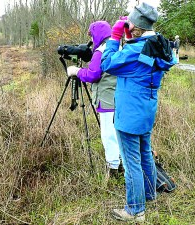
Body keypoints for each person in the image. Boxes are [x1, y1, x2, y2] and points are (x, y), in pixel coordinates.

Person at [101, 2, 177, 222]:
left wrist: (115, 37)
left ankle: (135, 210)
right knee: (145, 153)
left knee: (131, 161)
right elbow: (148, 62)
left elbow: (107, 64)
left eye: (130, 20)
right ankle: (149, 194)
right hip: (146, 110)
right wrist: (132, 36)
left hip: (129, 115)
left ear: (136, 25)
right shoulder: (158, 45)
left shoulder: (134, 50)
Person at [66, 21, 121, 177]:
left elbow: (93, 75)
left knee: (108, 134)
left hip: (107, 99)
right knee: (118, 132)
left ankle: (114, 168)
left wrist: (76, 71)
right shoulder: (116, 46)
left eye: (91, 33)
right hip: (119, 97)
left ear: (98, 33)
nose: (90, 37)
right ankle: (122, 162)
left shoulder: (101, 52)